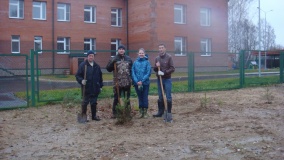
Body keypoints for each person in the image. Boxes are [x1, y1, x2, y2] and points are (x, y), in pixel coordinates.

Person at [106, 44, 133, 118]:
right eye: (120, 49)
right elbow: (108, 69)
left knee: (127, 98)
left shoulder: (128, 59)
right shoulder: (114, 58)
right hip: (117, 82)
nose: (121, 50)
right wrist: (112, 62)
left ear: (124, 50)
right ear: (118, 50)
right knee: (116, 98)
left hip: (127, 81)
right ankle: (115, 113)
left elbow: (132, 69)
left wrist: (132, 79)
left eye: (123, 49)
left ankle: (127, 112)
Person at [75, 50, 103, 122]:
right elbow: (78, 75)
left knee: (94, 103)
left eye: (92, 56)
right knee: (85, 103)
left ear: (94, 57)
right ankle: (83, 117)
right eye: (89, 56)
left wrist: (100, 86)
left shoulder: (97, 66)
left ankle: (94, 116)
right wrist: (81, 81)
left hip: (95, 88)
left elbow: (100, 77)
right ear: (87, 57)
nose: (91, 57)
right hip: (86, 88)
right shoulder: (83, 65)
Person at [152, 43, 175, 122]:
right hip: (160, 80)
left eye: (162, 48)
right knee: (160, 96)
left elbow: (172, 68)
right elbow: (154, 69)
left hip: (167, 79)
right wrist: (156, 66)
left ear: (165, 49)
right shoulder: (157, 58)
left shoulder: (169, 57)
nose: (160, 49)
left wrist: (164, 72)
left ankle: (168, 112)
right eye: (159, 48)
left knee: (168, 96)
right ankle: (160, 112)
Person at [131, 48, 152, 118]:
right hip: (137, 83)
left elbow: (148, 72)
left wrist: (142, 81)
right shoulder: (135, 62)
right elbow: (133, 72)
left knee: (145, 97)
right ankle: (141, 112)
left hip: (145, 83)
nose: (141, 54)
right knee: (140, 97)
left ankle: (145, 112)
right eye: (140, 53)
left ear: (144, 54)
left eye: (142, 53)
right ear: (138, 54)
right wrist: (136, 81)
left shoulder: (147, 62)